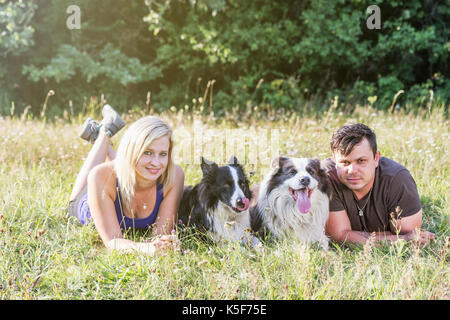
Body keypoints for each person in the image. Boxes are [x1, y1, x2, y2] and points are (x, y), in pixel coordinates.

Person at [68, 104, 184, 255]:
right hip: (90, 200)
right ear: (132, 149)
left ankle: (100, 134)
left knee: (139, 167)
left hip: (128, 170)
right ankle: (103, 134)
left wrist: (163, 244)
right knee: (96, 176)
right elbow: (112, 242)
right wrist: (147, 248)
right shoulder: (100, 176)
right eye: (147, 152)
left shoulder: (174, 174)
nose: (156, 162)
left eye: (162, 154)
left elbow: (161, 234)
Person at [324, 123, 435, 246]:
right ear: (334, 160)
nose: (352, 171)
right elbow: (338, 236)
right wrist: (400, 239)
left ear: (376, 158)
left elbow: (411, 236)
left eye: (361, 161)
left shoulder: (398, 180)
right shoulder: (325, 179)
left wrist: (353, 235)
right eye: (345, 162)